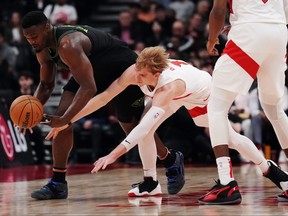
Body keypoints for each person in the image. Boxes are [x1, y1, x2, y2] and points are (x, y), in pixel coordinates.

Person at [46, 46, 288, 198]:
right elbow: (104, 97)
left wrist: (113, 155)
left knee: (228, 138)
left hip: (202, 94)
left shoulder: (169, 86)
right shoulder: (136, 71)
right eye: (137, 72)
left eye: (142, 76)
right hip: (176, 95)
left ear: (156, 74)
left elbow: (140, 129)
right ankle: (151, 182)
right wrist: (67, 120)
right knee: (147, 127)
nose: (137, 78)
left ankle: (269, 168)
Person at [21, 11, 184, 200]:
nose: (31, 41)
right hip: (90, 72)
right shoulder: (41, 48)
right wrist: (30, 111)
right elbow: (47, 84)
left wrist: (66, 119)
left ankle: (171, 159)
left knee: (135, 127)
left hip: (121, 68)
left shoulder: (68, 44)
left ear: (47, 28)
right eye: (27, 38)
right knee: (61, 120)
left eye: (34, 36)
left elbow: (88, 88)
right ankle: (58, 183)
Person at [202, 0, 288, 204]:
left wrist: (212, 39)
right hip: (278, 32)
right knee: (274, 110)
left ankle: (226, 183)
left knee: (216, 105)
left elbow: (218, 9)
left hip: (249, 33)